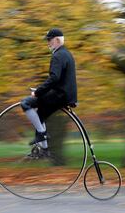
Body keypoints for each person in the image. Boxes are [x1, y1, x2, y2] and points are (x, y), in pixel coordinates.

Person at [20, 28, 77, 156]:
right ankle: (44, 150)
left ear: (57, 40)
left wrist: (38, 92)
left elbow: (54, 78)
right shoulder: (67, 54)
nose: (48, 43)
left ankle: (41, 135)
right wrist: (41, 91)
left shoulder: (58, 55)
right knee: (40, 114)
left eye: (49, 40)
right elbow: (60, 80)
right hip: (65, 95)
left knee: (25, 103)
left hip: (59, 96)